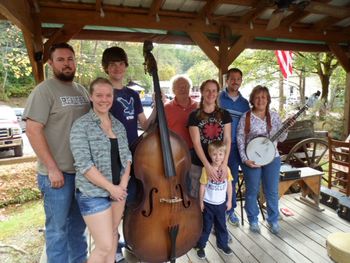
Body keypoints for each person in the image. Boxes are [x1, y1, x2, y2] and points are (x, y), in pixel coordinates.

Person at [23, 42, 89, 263]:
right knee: (57, 231)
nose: (66, 64)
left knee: (78, 229)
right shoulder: (44, 91)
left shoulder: (81, 91)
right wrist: (52, 168)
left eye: (70, 59)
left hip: (81, 174)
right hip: (56, 176)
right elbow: (32, 130)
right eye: (60, 60)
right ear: (51, 63)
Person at [101, 46, 155, 262]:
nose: (117, 68)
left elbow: (144, 124)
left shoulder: (132, 94)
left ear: (125, 66)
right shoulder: (103, 93)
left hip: (135, 156)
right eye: (112, 64)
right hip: (113, 156)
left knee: (131, 201)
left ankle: (128, 239)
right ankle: (113, 249)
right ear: (106, 68)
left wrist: (160, 106)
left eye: (120, 63)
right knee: (114, 204)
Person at [70, 78, 132, 262]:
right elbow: (84, 165)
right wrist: (111, 188)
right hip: (93, 193)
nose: (104, 99)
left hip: (118, 190)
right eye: (99, 95)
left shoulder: (118, 126)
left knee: (113, 235)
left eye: (108, 95)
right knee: (104, 245)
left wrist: (122, 184)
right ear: (91, 96)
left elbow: (127, 157)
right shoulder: (81, 125)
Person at [236, 85, 288, 234]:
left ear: (268, 99)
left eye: (264, 97)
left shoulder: (274, 116)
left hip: (273, 158)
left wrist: (286, 128)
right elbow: (240, 139)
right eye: (257, 97)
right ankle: (253, 220)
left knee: (272, 191)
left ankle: (273, 220)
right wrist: (245, 160)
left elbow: (282, 138)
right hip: (251, 160)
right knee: (252, 191)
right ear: (252, 99)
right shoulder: (246, 117)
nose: (260, 100)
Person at [188, 79, 232, 199]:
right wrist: (207, 166)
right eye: (207, 90)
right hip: (199, 164)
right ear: (202, 92)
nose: (211, 94)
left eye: (214, 91)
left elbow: (227, 140)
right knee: (197, 198)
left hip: (219, 164)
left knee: (216, 199)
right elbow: (196, 143)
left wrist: (224, 164)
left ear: (217, 93)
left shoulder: (225, 114)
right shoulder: (194, 116)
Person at [219, 68, 250, 226]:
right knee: (218, 179)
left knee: (231, 179)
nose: (235, 82)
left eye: (238, 79)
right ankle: (217, 213)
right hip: (218, 148)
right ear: (227, 80)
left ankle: (230, 211)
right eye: (232, 79)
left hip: (236, 147)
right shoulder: (219, 98)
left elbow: (247, 126)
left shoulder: (245, 104)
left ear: (241, 81)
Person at [195, 141, 234, 259]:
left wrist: (229, 201)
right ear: (210, 155)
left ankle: (223, 245)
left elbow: (229, 185)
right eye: (215, 154)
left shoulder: (226, 169)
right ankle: (201, 246)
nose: (218, 157)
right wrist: (201, 202)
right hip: (208, 204)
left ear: (224, 155)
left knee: (222, 226)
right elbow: (202, 186)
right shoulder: (206, 169)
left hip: (221, 204)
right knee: (206, 227)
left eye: (221, 154)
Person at [164, 75, 198, 149]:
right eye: (179, 87)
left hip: (196, 150)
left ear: (190, 89)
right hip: (175, 150)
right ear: (173, 90)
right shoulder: (166, 108)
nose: (183, 89)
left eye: (186, 86)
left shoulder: (198, 106)